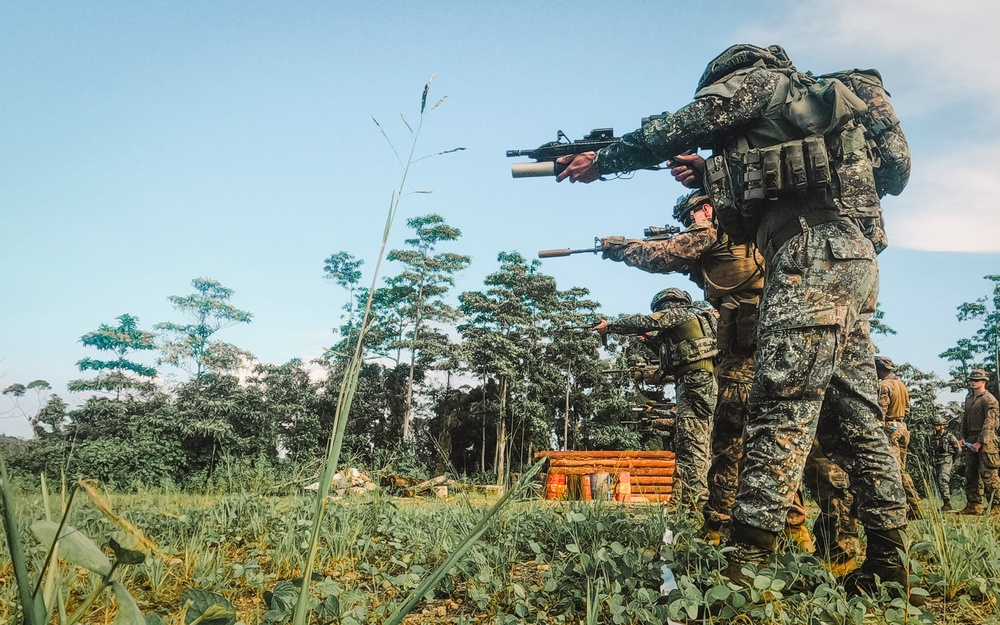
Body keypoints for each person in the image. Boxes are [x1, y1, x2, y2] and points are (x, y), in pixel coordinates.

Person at [556, 44, 908, 596]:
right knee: (855, 414)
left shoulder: (756, 84)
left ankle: (741, 571)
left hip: (810, 253)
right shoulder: (804, 113)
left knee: (778, 406)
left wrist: (602, 160)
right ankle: (888, 564)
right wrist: (713, 169)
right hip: (851, 257)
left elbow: (679, 126)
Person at [603, 192, 813, 549]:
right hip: (781, 338)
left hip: (747, 347)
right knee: (776, 431)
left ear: (706, 209)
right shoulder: (755, 235)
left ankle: (719, 524)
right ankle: (793, 526)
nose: (690, 224)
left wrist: (622, 249)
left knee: (730, 435)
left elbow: (662, 254)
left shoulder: (713, 231)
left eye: (691, 216)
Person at [593, 288, 717, 510]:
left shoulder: (681, 314)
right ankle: (684, 500)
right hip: (696, 383)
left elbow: (643, 321)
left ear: (668, 304)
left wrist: (609, 326)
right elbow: (671, 351)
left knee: (693, 445)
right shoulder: (694, 320)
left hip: (694, 384)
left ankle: (696, 504)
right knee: (687, 443)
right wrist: (648, 341)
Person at [876, 356, 922, 519]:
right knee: (900, 467)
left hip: (890, 428)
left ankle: (914, 506)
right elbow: (908, 409)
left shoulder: (884, 386)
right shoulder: (901, 385)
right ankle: (912, 506)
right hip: (902, 426)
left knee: (895, 470)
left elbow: (880, 411)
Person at [958, 368, 1000, 515]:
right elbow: (965, 419)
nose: (973, 383)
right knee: (971, 474)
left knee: (989, 475)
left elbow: (990, 423)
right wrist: (963, 437)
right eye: (971, 380)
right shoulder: (969, 399)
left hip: (986, 442)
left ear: (984, 382)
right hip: (971, 438)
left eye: (976, 380)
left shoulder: (989, 400)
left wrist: (980, 442)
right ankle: (973, 504)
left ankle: (996, 506)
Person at [929, 414, 960, 511]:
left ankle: (947, 503)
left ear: (943, 425)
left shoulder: (950, 436)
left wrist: (953, 460)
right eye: (935, 425)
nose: (936, 427)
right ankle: (945, 502)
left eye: (938, 425)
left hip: (946, 460)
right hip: (937, 461)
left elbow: (958, 450)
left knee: (943, 480)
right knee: (939, 481)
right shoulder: (933, 437)